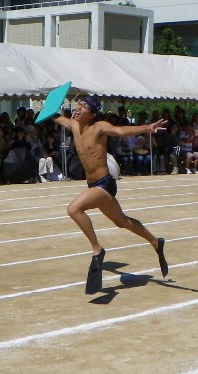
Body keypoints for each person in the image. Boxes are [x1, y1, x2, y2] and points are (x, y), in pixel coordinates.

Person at [51, 95, 169, 292]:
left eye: (84, 106)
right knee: (121, 222)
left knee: (74, 209)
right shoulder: (73, 125)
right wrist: (47, 109)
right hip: (94, 186)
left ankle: (97, 249)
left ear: (93, 114)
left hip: (105, 185)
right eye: (79, 104)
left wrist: (146, 128)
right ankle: (156, 242)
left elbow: (121, 130)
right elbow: (52, 115)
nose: (79, 108)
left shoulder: (99, 127)